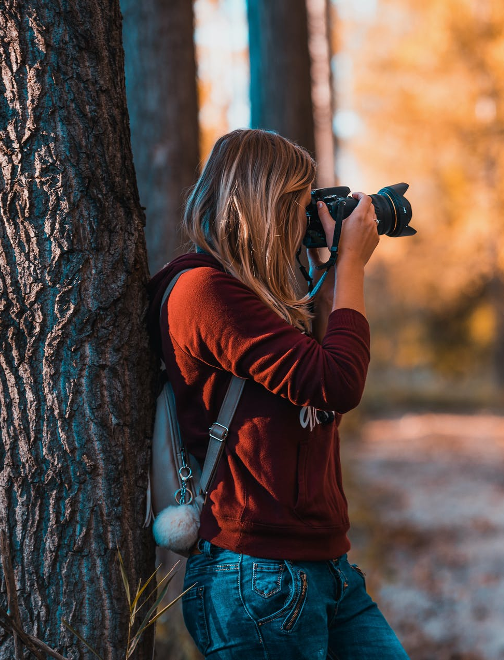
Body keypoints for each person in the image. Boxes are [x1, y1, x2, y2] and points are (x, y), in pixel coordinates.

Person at [146, 128, 409, 659]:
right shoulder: (204, 291)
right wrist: (352, 266)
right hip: (256, 575)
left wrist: (327, 276)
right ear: (265, 204)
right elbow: (337, 384)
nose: (306, 215)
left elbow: (313, 384)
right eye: (298, 201)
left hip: (322, 568)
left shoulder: (257, 298)